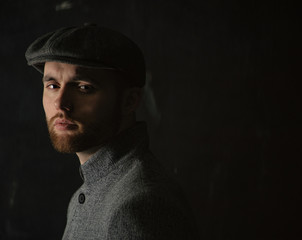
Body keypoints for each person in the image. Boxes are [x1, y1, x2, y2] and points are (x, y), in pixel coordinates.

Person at [25, 24, 198, 240]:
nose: (61, 103)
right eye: (52, 85)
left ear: (129, 101)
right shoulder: (92, 191)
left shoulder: (137, 205)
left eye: (83, 87)